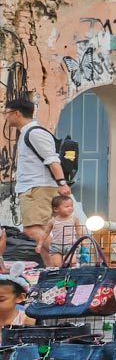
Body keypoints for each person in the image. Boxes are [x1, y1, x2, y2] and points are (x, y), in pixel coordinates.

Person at [4, 97, 71, 262]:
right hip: (34, 187)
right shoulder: (28, 133)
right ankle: (54, 274)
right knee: (41, 231)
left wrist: (62, 183)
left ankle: (67, 257)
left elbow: (51, 159)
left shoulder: (35, 133)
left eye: (6, 113)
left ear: (17, 113)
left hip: (38, 188)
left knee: (32, 230)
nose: (5, 117)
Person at [43, 194, 86, 268]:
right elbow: (46, 233)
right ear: (56, 209)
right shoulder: (52, 221)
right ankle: (62, 276)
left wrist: (82, 240)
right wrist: (40, 244)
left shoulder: (74, 219)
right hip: (56, 245)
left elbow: (78, 230)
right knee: (57, 264)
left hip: (71, 244)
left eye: (71, 206)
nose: (70, 208)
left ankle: (72, 274)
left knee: (72, 262)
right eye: (67, 207)